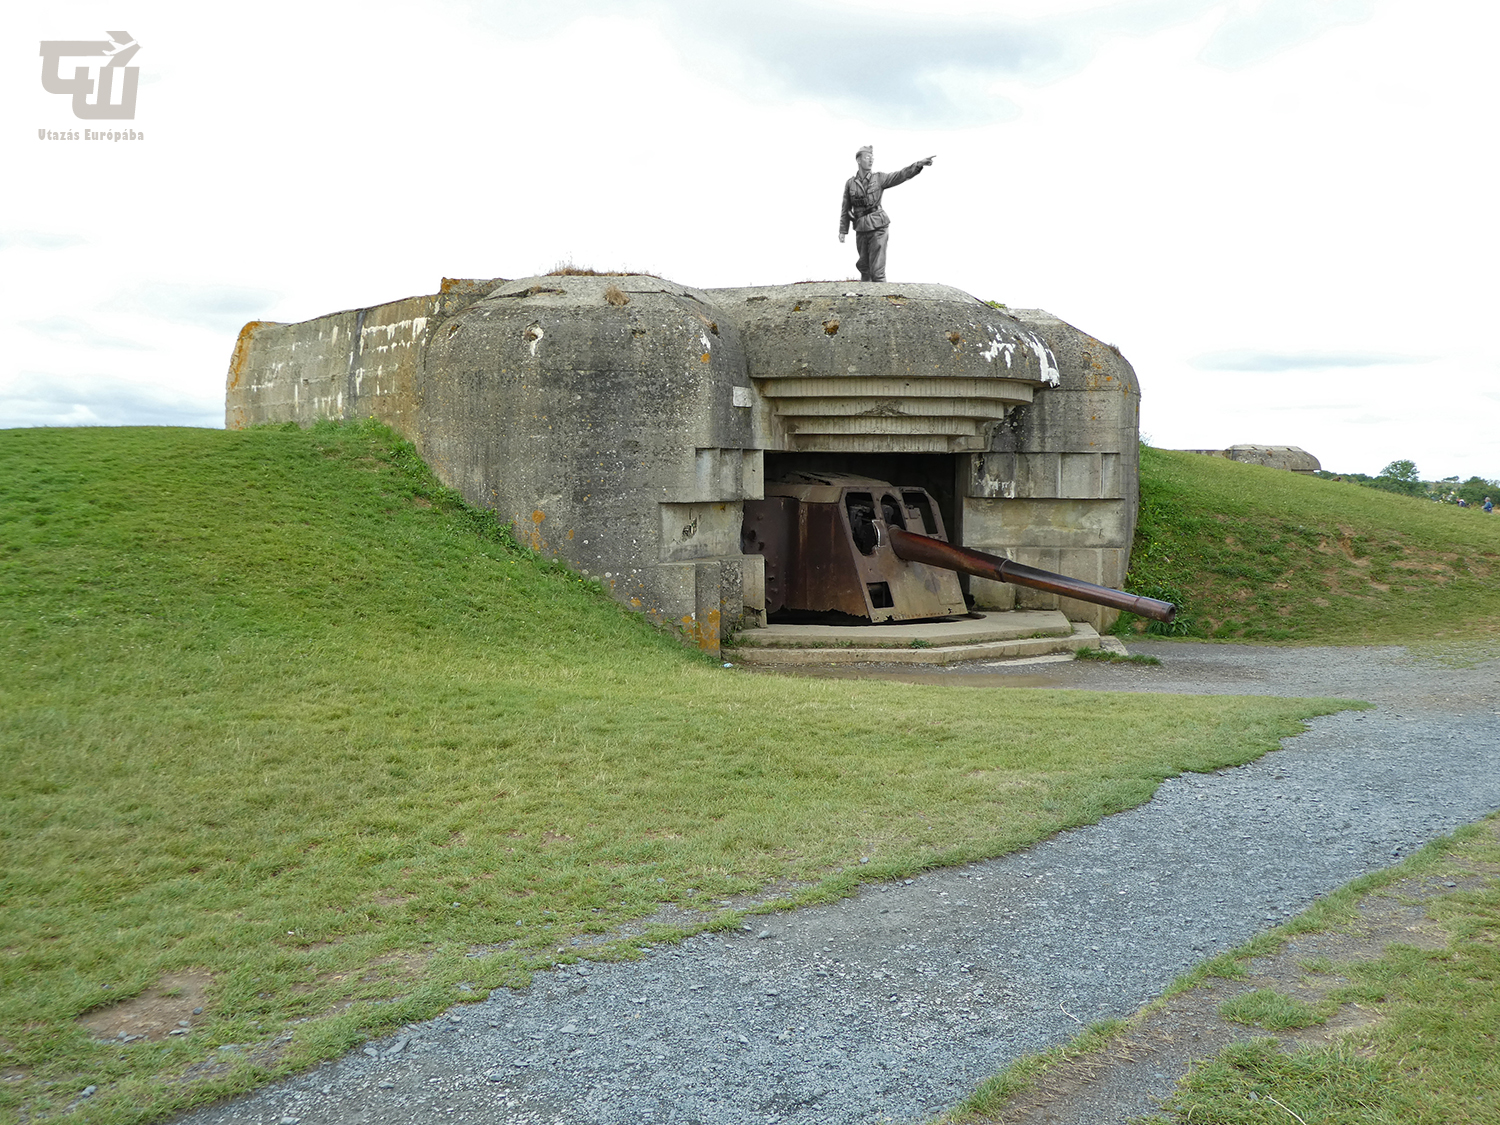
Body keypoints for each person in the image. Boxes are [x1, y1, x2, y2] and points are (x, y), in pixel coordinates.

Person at [838, 146, 935, 282]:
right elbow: (845, 208)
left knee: (877, 271)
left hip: (878, 226)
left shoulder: (879, 178)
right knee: (864, 268)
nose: (871, 160)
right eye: (867, 157)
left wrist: (918, 164)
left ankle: (882, 300)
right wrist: (843, 231)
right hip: (860, 228)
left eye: (872, 158)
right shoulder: (850, 184)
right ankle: (866, 301)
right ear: (858, 160)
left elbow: (901, 175)